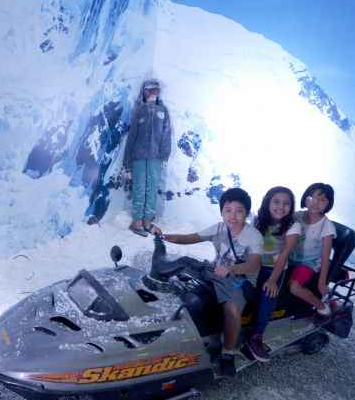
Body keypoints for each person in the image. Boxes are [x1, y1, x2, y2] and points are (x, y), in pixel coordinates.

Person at [163, 188, 263, 377]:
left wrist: (231, 269)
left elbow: (253, 264)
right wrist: (163, 236)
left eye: (239, 211)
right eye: (228, 210)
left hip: (239, 280)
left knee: (232, 310)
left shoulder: (253, 236)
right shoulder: (219, 228)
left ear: (247, 213)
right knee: (183, 281)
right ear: (222, 212)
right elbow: (191, 238)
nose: (233, 216)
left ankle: (228, 353)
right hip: (216, 272)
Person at [246, 187, 301, 361]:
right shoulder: (258, 219)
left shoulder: (293, 225)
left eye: (286, 203)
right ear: (268, 202)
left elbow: (284, 254)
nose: (280, 206)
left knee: (268, 296)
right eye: (276, 201)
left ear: (291, 207)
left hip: (274, 268)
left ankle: (256, 336)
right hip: (255, 264)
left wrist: (272, 281)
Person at [123, 78, 171, 237]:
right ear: (144, 92)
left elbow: (166, 134)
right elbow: (132, 137)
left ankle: (147, 221)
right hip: (138, 156)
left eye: (156, 90)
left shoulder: (163, 111)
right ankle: (137, 221)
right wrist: (127, 162)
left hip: (156, 157)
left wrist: (164, 155)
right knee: (139, 188)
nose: (153, 93)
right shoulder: (139, 111)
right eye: (150, 90)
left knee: (152, 189)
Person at [288, 183, 337, 317]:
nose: (316, 202)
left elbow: (326, 257)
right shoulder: (296, 216)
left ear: (328, 204)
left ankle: (321, 306)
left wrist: (322, 284)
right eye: (312, 197)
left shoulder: (327, 226)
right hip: (289, 259)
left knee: (294, 287)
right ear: (305, 198)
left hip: (308, 264)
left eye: (322, 200)